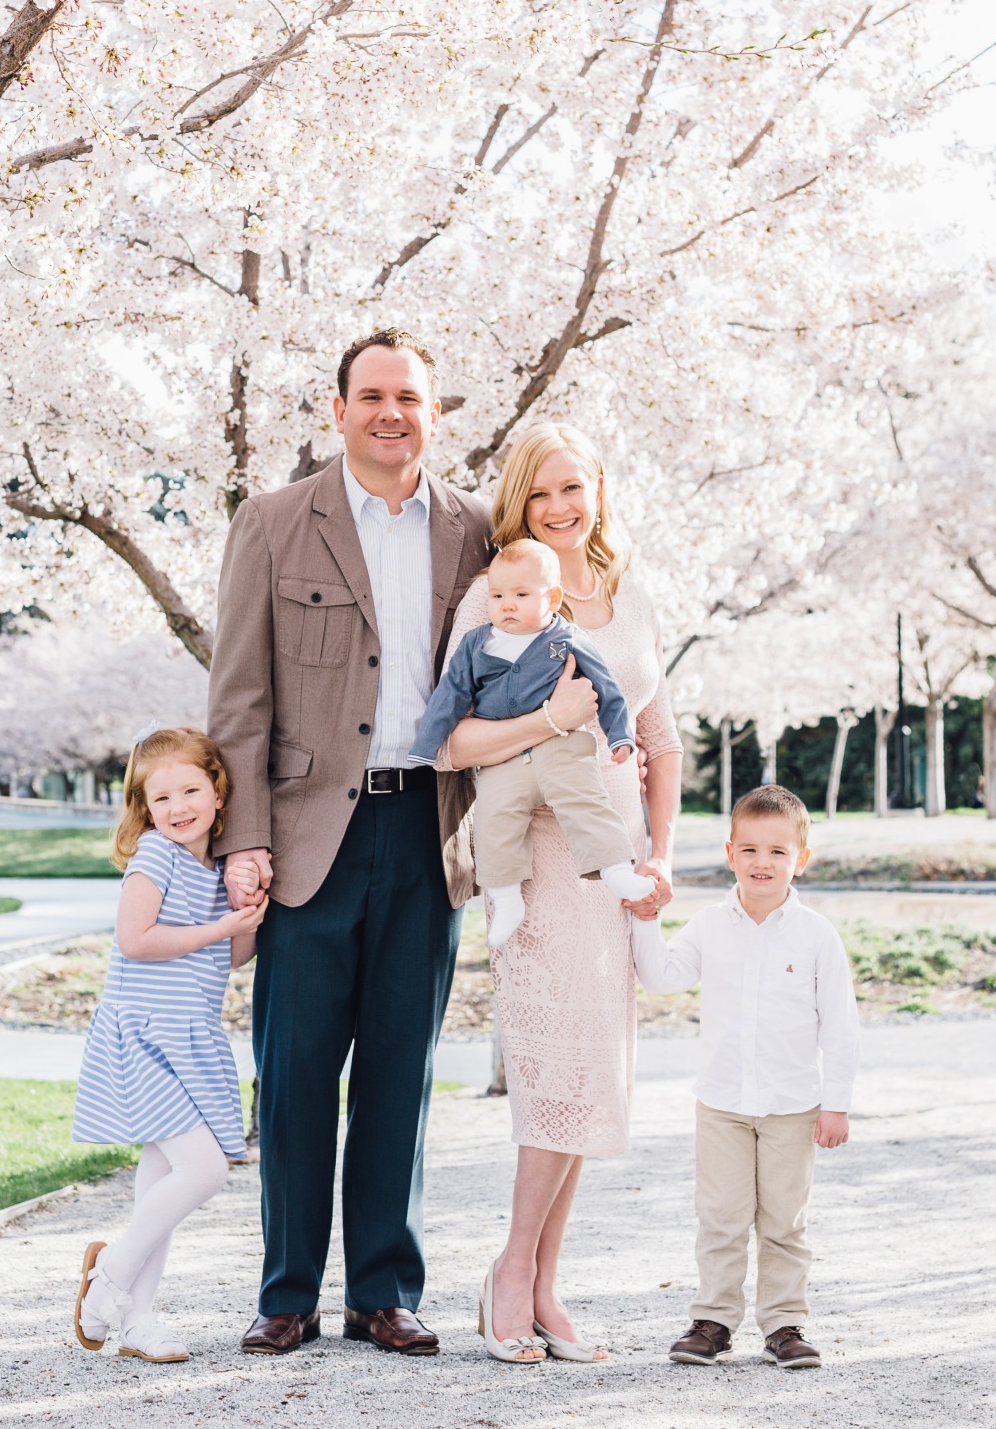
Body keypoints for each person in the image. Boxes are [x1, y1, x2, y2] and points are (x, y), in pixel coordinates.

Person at [207, 327, 490, 1357]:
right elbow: (238, 699)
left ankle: (384, 1290)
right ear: (337, 410)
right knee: (293, 1073)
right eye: (372, 396)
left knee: (400, 1071)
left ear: (435, 413)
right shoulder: (275, 523)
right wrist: (242, 842)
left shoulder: (478, 531)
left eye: (410, 398)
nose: (391, 413)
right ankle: (286, 1293)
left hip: (429, 827)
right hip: (307, 833)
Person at [441, 421, 683, 1364]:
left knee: (591, 1072)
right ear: (519, 504)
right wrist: (548, 717)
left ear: (599, 490)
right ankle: (509, 1270)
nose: (562, 507)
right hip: (537, 857)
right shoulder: (496, 597)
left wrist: (661, 855)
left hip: (615, 860)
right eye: (542, 493)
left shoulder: (631, 596)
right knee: (553, 1066)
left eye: (574, 488)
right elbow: (453, 742)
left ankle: (546, 1281)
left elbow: (660, 741)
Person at [630, 784, 860, 1370]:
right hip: (723, 1104)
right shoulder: (710, 925)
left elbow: (840, 1026)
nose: (763, 863)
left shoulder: (816, 937)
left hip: (793, 1105)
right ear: (731, 854)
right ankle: (713, 1320)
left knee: (785, 1220)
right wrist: (646, 921)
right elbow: (661, 977)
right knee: (722, 1217)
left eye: (778, 852)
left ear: (800, 861)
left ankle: (785, 1323)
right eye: (751, 850)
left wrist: (836, 1104)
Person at [72, 726, 265, 1364]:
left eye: (190, 789)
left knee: (160, 1181)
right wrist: (220, 925)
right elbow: (136, 939)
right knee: (204, 1170)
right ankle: (110, 1280)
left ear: (218, 788)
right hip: (145, 1034)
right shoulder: (155, 856)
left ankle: (136, 1321)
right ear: (144, 809)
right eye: (161, 798)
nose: (178, 807)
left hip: (191, 1037)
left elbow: (234, 954)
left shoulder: (213, 869)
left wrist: (246, 910)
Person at [411, 537, 642, 946]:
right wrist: (426, 745)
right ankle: (505, 896)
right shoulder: (477, 643)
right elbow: (450, 695)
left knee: (584, 799)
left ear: (552, 598)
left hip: (562, 747)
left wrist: (620, 733)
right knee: (494, 819)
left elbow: (606, 688)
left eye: (520, 595)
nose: (507, 605)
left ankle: (615, 867)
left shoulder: (565, 638)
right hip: (503, 758)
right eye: (498, 595)